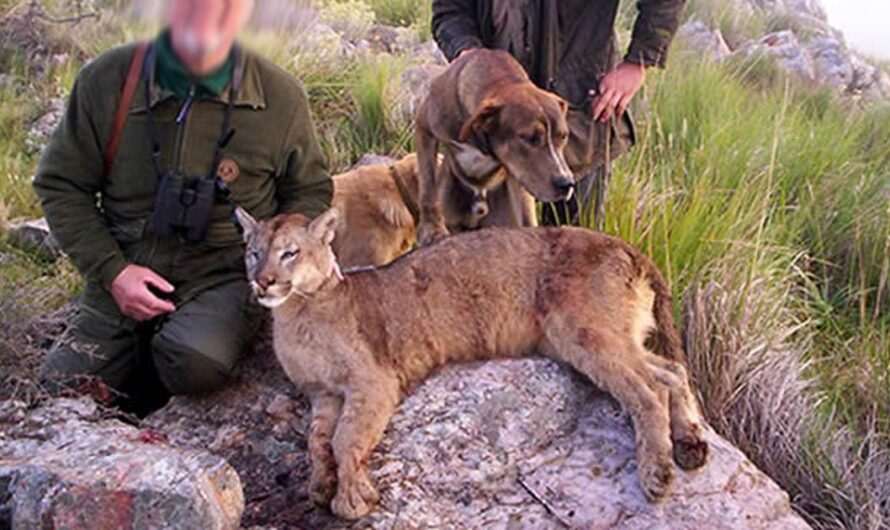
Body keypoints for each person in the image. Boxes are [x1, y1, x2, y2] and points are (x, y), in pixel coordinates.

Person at [33, 0, 332, 414]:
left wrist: (278, 252)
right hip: (123, 266)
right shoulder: (107, 80)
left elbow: (310, 190)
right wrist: (112, 271)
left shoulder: (281, 97)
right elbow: (61, 183)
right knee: (57, 391)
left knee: (196, 361)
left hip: (220, 276)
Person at [431, 0, 685, 227]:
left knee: (575, 255)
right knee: (485, 254)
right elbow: (450, 10)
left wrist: (638, 62)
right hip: (492, 128)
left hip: (578, 110)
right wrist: (467, 54)